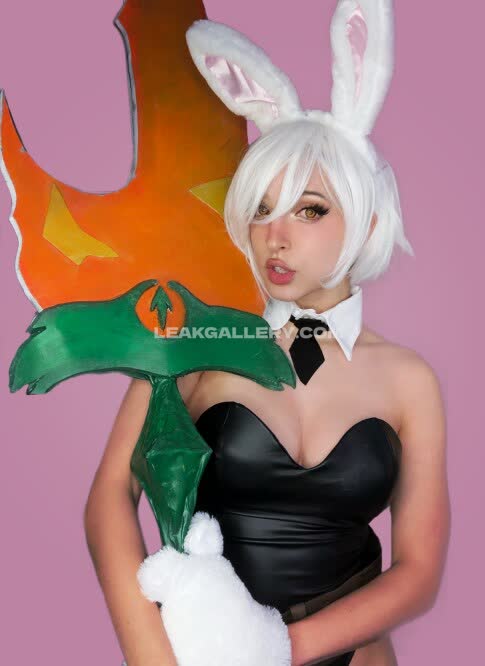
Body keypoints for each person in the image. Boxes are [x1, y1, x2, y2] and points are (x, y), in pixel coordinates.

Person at [83, 2, 450, 665]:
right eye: (261, 209)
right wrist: (154, 658)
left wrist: (278, 649)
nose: (276, 236)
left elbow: (419, 573)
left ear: (366, 221)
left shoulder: (409, 380)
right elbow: (110, 495)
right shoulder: (192, 342)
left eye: (310, 210)